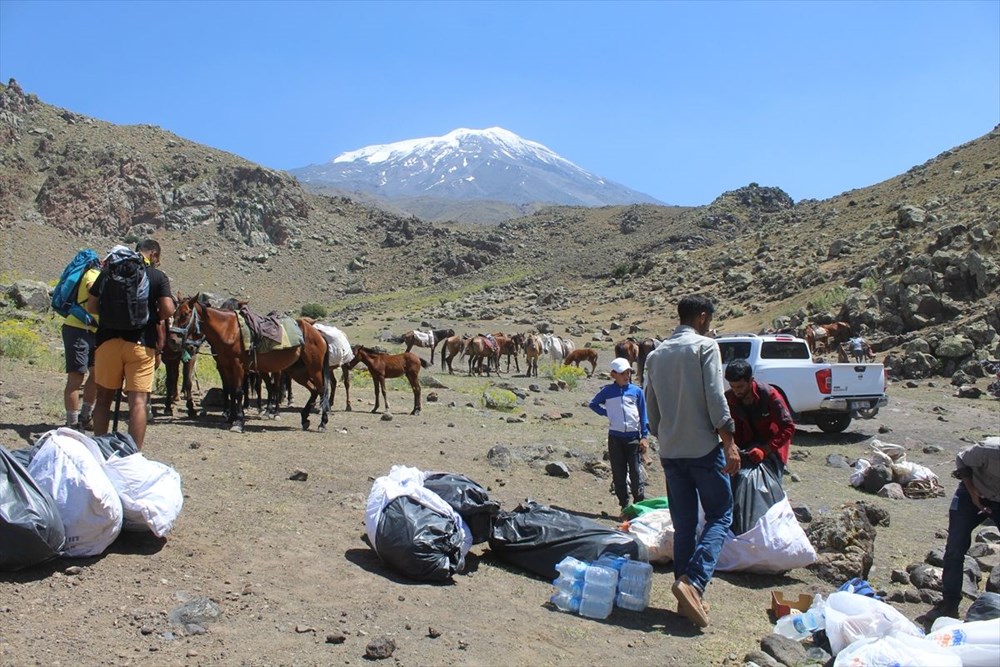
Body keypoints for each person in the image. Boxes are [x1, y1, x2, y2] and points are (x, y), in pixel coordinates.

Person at [644, 294, 739, 628]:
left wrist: (664, 433)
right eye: (709, 320)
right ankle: (694, 582)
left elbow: (650, 409)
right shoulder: (705, 347)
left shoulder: (655, 355)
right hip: (703, 448)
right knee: (720, 515)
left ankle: (686, 600)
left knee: (684, 525)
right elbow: (716, 398)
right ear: (701, 318)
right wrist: (728, 441)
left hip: (670, 451)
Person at [86, 239, 174, 449]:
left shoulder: (109, 270)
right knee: (138, 400)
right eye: (157, 259)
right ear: (153, 254)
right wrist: (152, 316)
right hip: (141, 344)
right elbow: (169, 309)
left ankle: (100, 448)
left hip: (107, 342)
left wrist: (112, 315)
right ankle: (133, 455)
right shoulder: (156, 276)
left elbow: (91, 305)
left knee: (104, 397)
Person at [920, 439, 1000, 627]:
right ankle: (949, 602)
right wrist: (972, 493)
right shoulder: (988, 450)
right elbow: (961, 460)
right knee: (955, 548)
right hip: (971, 495)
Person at [588, 357, 650, 514]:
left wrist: (644, 436)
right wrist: (607, 413)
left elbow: (643, 415)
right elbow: (593, 404)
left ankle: (639, 503)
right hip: (615, 438)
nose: (626, 376)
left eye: (628, 372)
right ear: (613, 374)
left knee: (636, 472)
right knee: (618, 472)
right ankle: (624, 505)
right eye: (622, 373)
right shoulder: (607, 392)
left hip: (633, 438)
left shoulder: (637, 391)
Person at [723, 358, 795, 481]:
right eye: (732, 386)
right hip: (744, 450)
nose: (736, 391)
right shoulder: (729, 398)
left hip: (771, 449)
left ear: (751, 381)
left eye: (740, 386)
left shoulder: (770, 395)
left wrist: (764, 450)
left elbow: (788, 427)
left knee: (768, 488)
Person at [61, 258, 101, 430]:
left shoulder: (98, 273)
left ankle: (85, 416)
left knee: (96, 375)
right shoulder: (93, 273)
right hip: (78, 328)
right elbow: (91, 288)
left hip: (92, 330)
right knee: (76, 377)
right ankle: (73, 422)